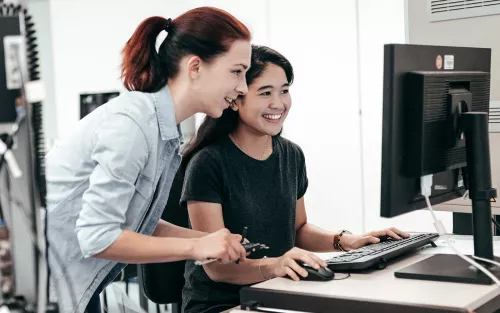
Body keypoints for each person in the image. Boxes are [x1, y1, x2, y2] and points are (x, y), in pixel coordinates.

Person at [45, 7, 252, 313]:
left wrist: (212, 240)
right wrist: (197, 246)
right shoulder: (132, 125)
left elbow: (141, 222)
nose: (242, 87)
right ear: (195, 66)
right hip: (49, 289)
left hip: (75, 288)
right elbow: (97, 237)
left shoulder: (161, 130)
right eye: (236, 71)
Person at [178, 45, 409, 313]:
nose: (279, 104)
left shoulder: (290, 154)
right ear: (236, 97)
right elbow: (217, 267)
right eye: (265, 93)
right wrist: (274, 265)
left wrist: (345, 240)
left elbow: (298, 229)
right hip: (222, 305)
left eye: (284, 91)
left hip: (280, 293)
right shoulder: (208, 163)